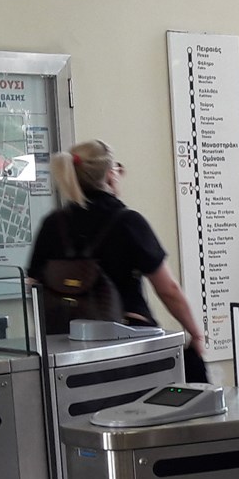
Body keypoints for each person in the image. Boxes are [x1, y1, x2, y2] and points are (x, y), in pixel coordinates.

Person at [29, 140, 209, 382]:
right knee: (190, 379)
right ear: (110, 175)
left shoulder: (53, 224)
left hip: (69, 352)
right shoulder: (128, 222)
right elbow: (169, 290)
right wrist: (195, 334)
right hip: (129, 346)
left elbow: (33, 284)